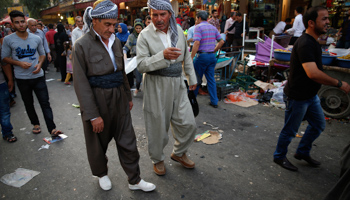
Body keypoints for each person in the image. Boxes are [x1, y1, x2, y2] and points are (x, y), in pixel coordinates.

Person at [73, 0, 155, 192]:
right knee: (97, 144)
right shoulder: (81, 46)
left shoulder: (116, 41)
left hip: (119, 98)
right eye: (107, 24)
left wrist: (127, 97)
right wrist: (93, 115)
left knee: (128, 141)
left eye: (114, 24)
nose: (112, 29)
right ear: (94, 21)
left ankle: (134, 180)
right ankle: (101, 174)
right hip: (97, 99)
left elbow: (121, 72)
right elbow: (81, 84)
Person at [273, 6, 350, 172]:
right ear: (311, 23)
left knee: (318, 125)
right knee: (290, 130)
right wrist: (339, 83)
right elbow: (313, 73)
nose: (328, 22)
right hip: (297, 96)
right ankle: (279, 156)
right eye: (324, 19)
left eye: (328, 18)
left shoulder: (313, 41)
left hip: (311, 95)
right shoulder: (305, 43)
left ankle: (302, 152)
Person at [136, 0, 198, 176]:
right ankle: (158, 159)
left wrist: (191, 78)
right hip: (156, 84)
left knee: (188, 123)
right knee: (157, 126)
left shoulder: (178, 30)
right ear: (150, 15)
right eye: (154, 15)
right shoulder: (144, 36)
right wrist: (161, 56)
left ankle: (179, 153)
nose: (158, 19)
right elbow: (140, 65)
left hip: (178, 82)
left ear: (170, 14)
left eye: (162, 14)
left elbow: (186, 56)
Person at [2, 10, 63, 138]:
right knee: (28, 103)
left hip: (38, 76)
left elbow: (42, 54)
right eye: (17, 23)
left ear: (26, 22)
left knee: (45, 103)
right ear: (12, 25)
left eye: (22, 21)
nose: (21, 25)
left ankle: (52, 129)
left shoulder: (36, 38)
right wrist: (19, 63)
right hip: (22, 78)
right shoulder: (8, 40)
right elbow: (4, 58)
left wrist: (40, 64)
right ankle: (35, 123)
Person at [191, 11, 224, 108]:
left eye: (197, 18)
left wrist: (191, 57)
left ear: (199, 18)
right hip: (211, 57)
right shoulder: (213, 28)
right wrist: (214, 50)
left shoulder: (198, 27)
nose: (196, 20)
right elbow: (221, 41)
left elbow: (196, 43)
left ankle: (192, 100)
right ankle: (214, 101)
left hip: (202, 57)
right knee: (211, 80)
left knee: (196, 79)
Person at [0, 37, 16, 143]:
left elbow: (4, 62)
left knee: (4, 111)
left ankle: (7, 132)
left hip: (1, 83)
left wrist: (10, 79)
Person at [123, 21, 144, 96]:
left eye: (140, 28)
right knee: (138, 78)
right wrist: (124, 53)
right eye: (137, 28)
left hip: (145, 58)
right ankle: (137, 88)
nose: (138, 30)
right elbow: (126, 47)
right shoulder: (131, 36)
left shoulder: (145, 36)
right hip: (135, 59)